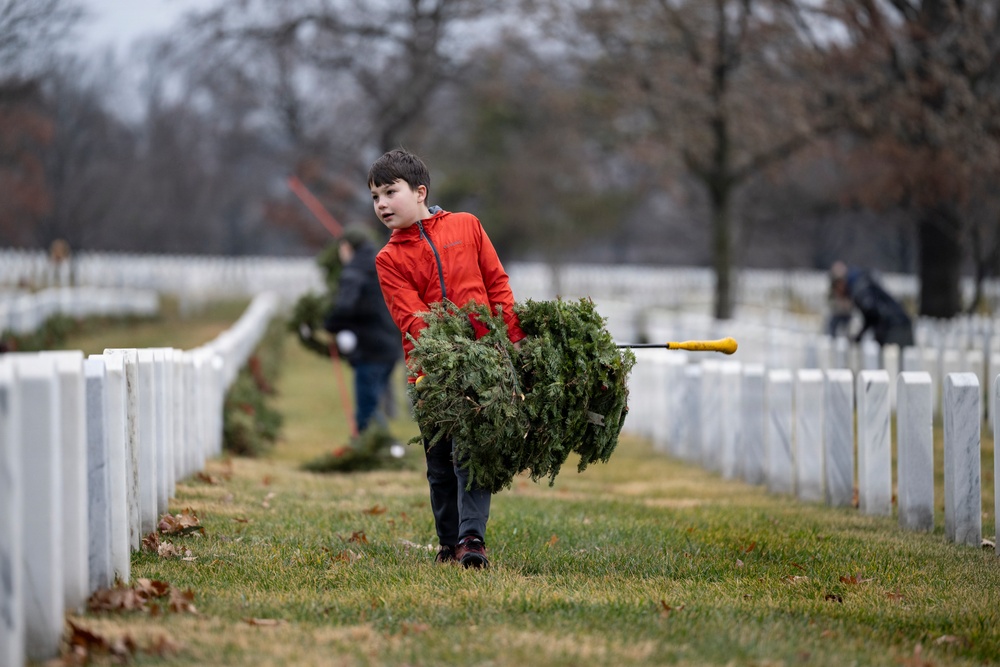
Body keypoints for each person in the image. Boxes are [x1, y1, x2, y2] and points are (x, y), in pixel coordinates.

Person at [369, 148, 526, 569]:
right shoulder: (388, 260)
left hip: (486, 364)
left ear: (419, 192)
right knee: (440, 464)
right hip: (431, 374)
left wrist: (512, 341)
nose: (381, 204)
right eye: (375, 197)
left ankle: (472, 539)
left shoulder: (467, 226)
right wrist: (454, 352)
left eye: (389, 192)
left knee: (472, 452)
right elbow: (412, 317)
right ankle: (447, 541)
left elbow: (497, 285)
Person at [323, 223, 403, 434]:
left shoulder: (353, 272)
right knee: (373, 405)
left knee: (366, 411)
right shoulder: (380, 265)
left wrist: (329, 324)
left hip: (370, 350)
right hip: (390, 347)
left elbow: (345, 307)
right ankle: (381, 448)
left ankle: (380, 449)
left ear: (347, 247)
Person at [829, 261, 914, 347]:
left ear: (840, 284)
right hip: (898, 324)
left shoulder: (859, 289)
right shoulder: (860, 282)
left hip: (895, 328)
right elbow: (871, 315)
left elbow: (874, 313)